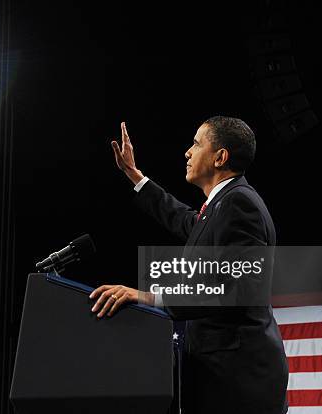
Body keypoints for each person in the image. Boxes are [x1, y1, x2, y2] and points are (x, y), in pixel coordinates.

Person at [90, 117, 288, 414]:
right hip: (223, 379)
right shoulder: (223, 206)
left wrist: (149, 297)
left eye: (197, 143)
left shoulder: (239, 204)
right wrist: (136, 177)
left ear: (220, 157)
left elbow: (237, 291)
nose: (187, 152)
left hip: (238, 383)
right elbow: (184, 219)